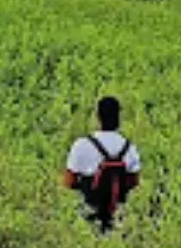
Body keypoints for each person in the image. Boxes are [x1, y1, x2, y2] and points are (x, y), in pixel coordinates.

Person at [61, 95, 142, 231]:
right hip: (117, 213)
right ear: (118, 118)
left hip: (88, 212)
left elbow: (69, 182)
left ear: (98, 117)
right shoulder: (129, 148)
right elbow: (134, 182)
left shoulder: (81, 145)